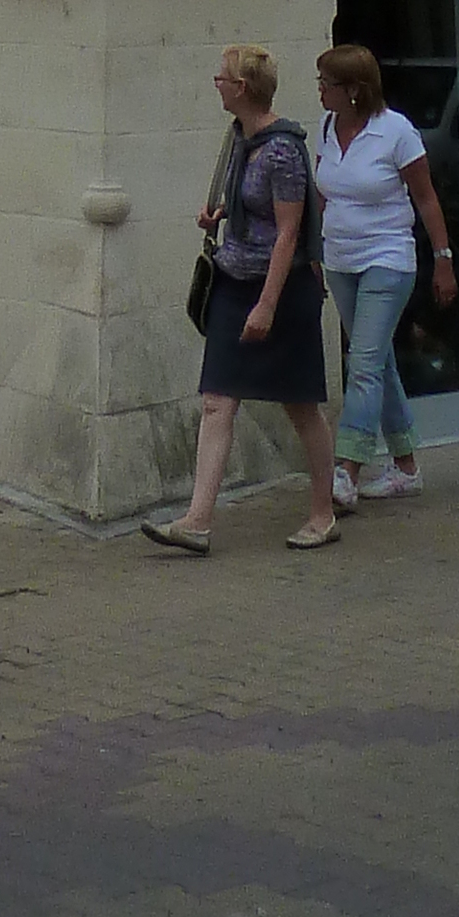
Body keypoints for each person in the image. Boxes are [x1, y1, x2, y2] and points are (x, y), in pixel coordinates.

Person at [144, 44, 339, 552]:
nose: (217, 84)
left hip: (283, 289)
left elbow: (289, 233)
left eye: (222, 78)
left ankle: (323, 512)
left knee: (300, 406)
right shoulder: (239, 138)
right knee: (216, 401)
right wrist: (221, 215)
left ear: (244, 88)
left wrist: (268, 304)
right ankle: (196, 520)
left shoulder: (281, 149)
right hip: (233, 280)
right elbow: (254, 209)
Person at [312, 43, 456, 510]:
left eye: (326, 84)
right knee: (379, 363)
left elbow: (427, 199)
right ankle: (407, 467)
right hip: (341, 261)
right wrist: (313, 251)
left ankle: (346, 469)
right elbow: (322, 192)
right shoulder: (328, 128)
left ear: (354, 90)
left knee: (363, 364)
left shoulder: (397, 133)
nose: (320, 91)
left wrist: (444, 258)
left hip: (388, 260)